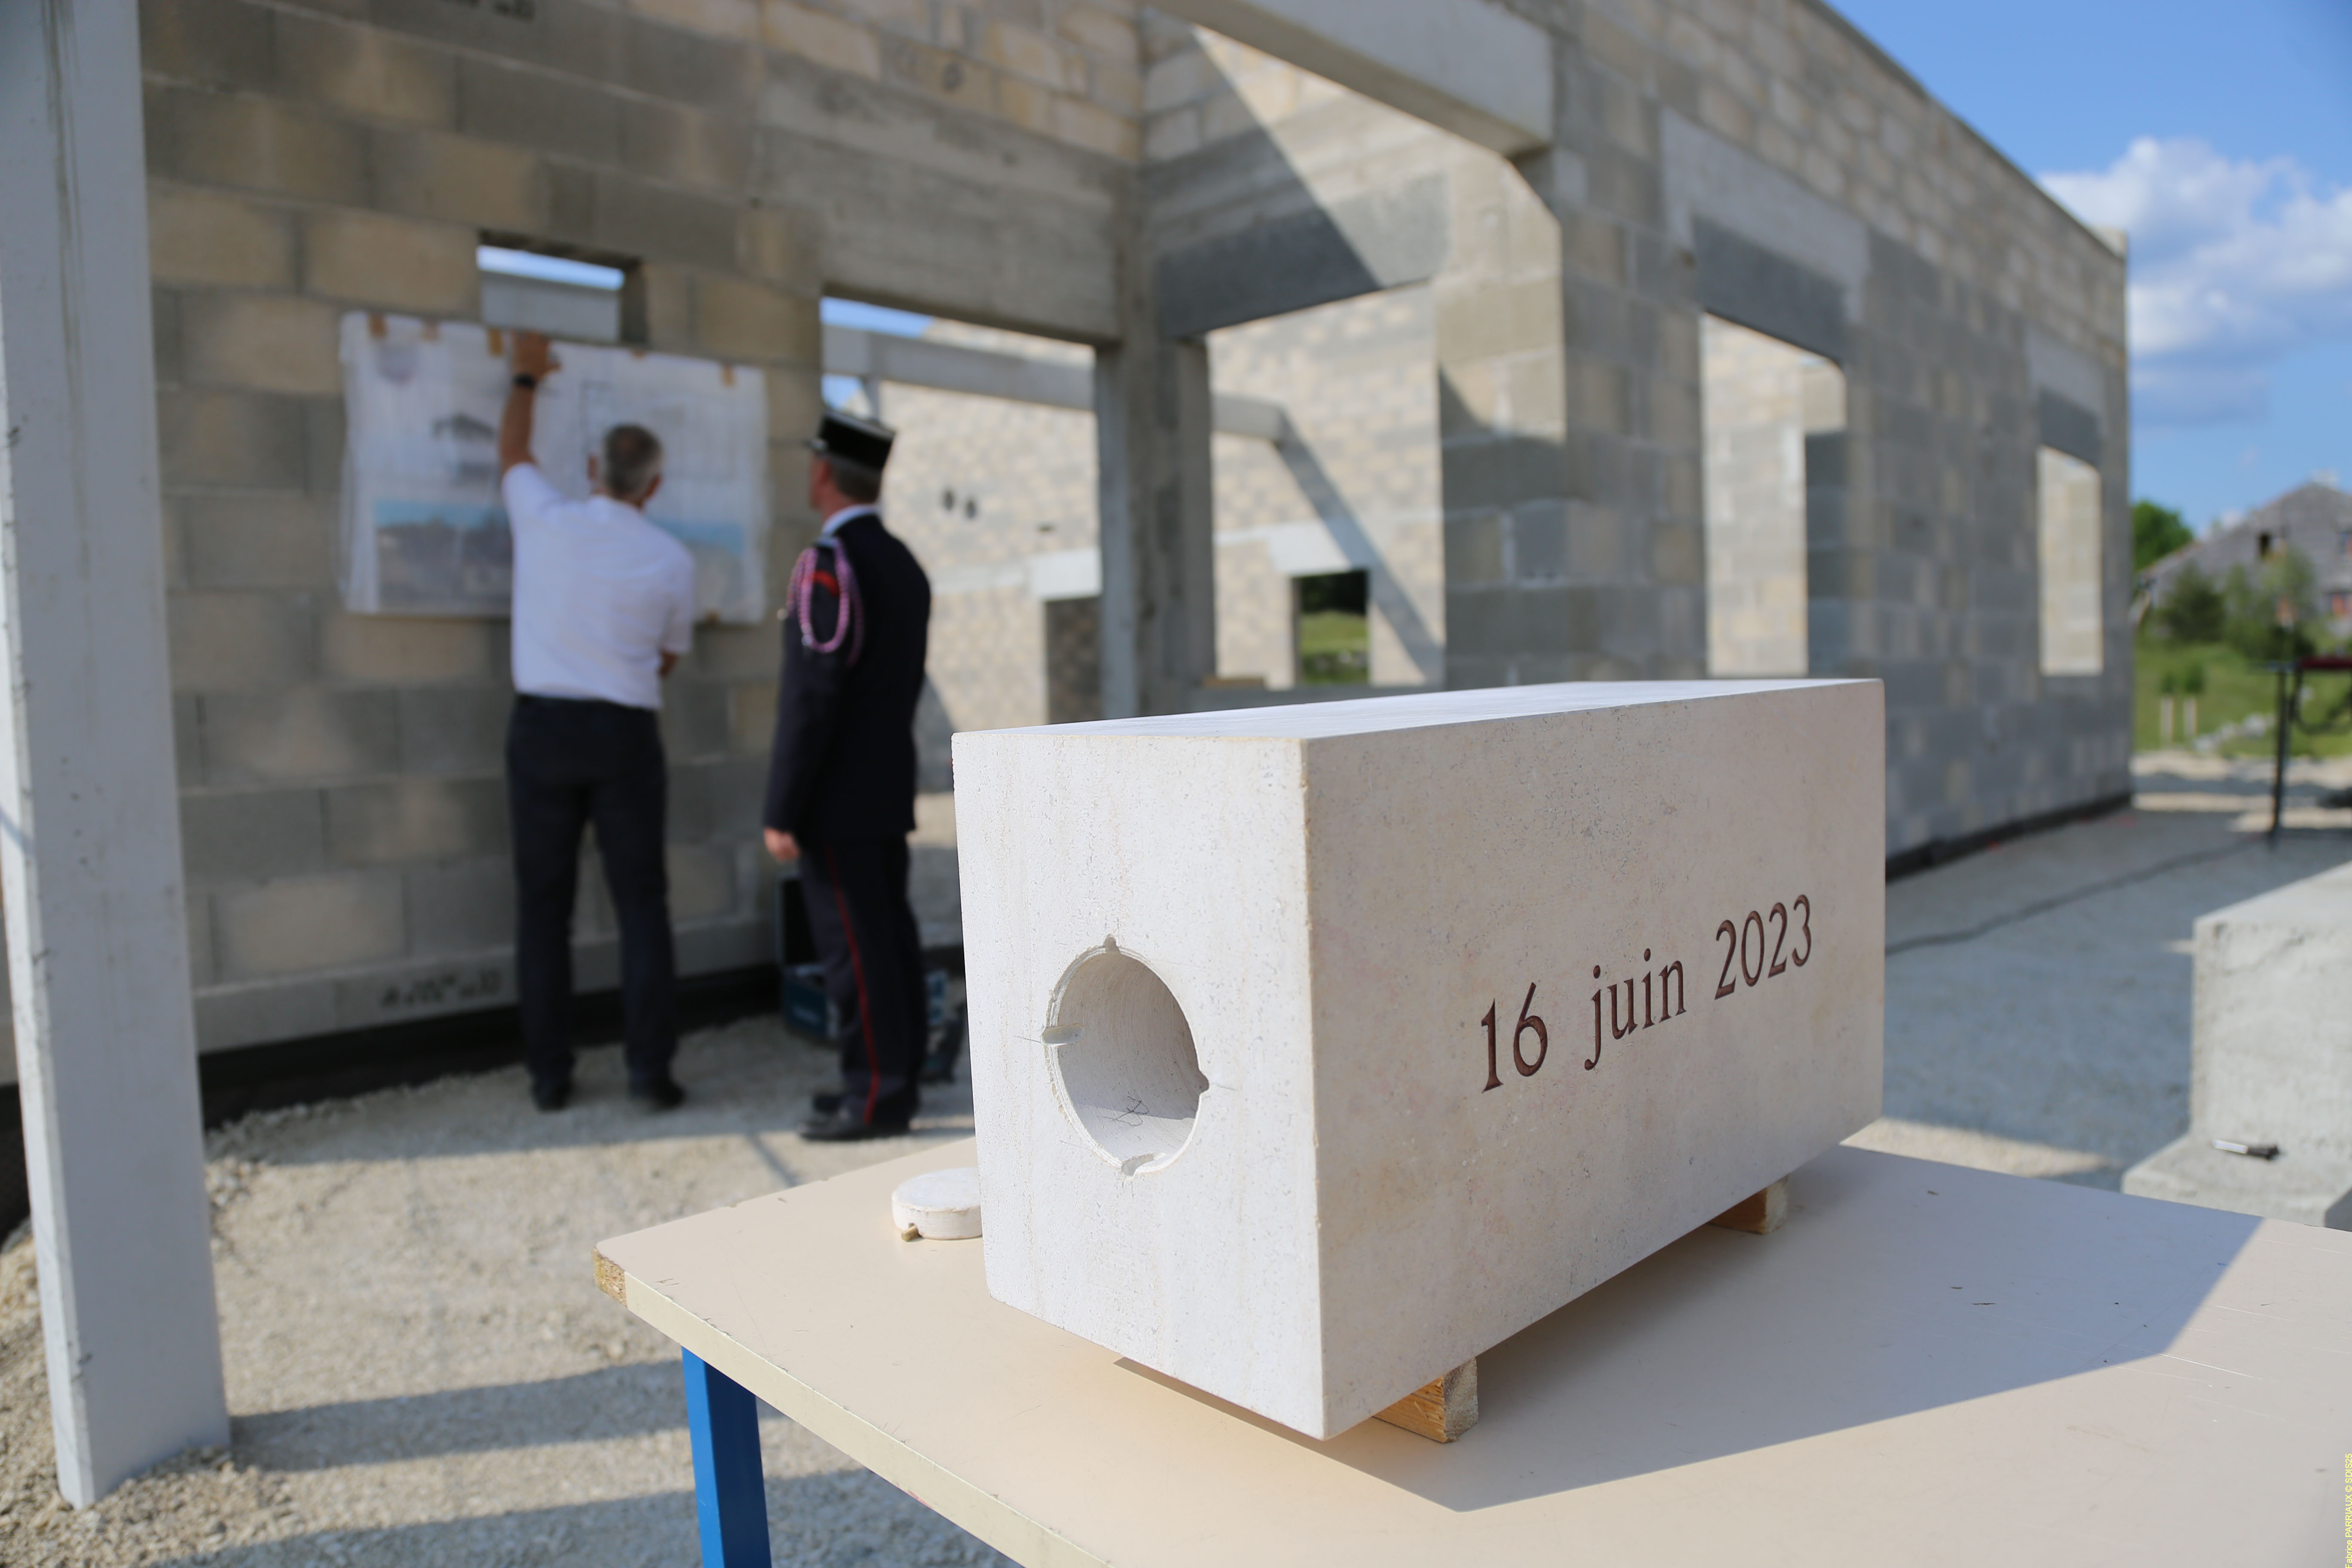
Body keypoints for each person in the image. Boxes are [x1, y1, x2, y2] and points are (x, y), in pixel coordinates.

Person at [497, 330, 697, 1113]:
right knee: (641, 905)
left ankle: (550, 1077)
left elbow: (512, 452)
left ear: (590, 473)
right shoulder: (671, 559)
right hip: (623, 735)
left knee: (542, 908)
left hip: (542, 729)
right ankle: (651, 1072)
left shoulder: (545, 518)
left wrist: (525, 374)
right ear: (653, 487)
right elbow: (667, 659)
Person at [763, 409, 934, 1142]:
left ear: (824, 471)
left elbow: (813, 693)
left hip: (837, 793)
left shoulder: (829, 564)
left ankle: (876, 1096)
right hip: (884, 780)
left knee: (855, 953)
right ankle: (891, 1079)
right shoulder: (901, 561)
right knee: (887, 940)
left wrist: (783, 804)